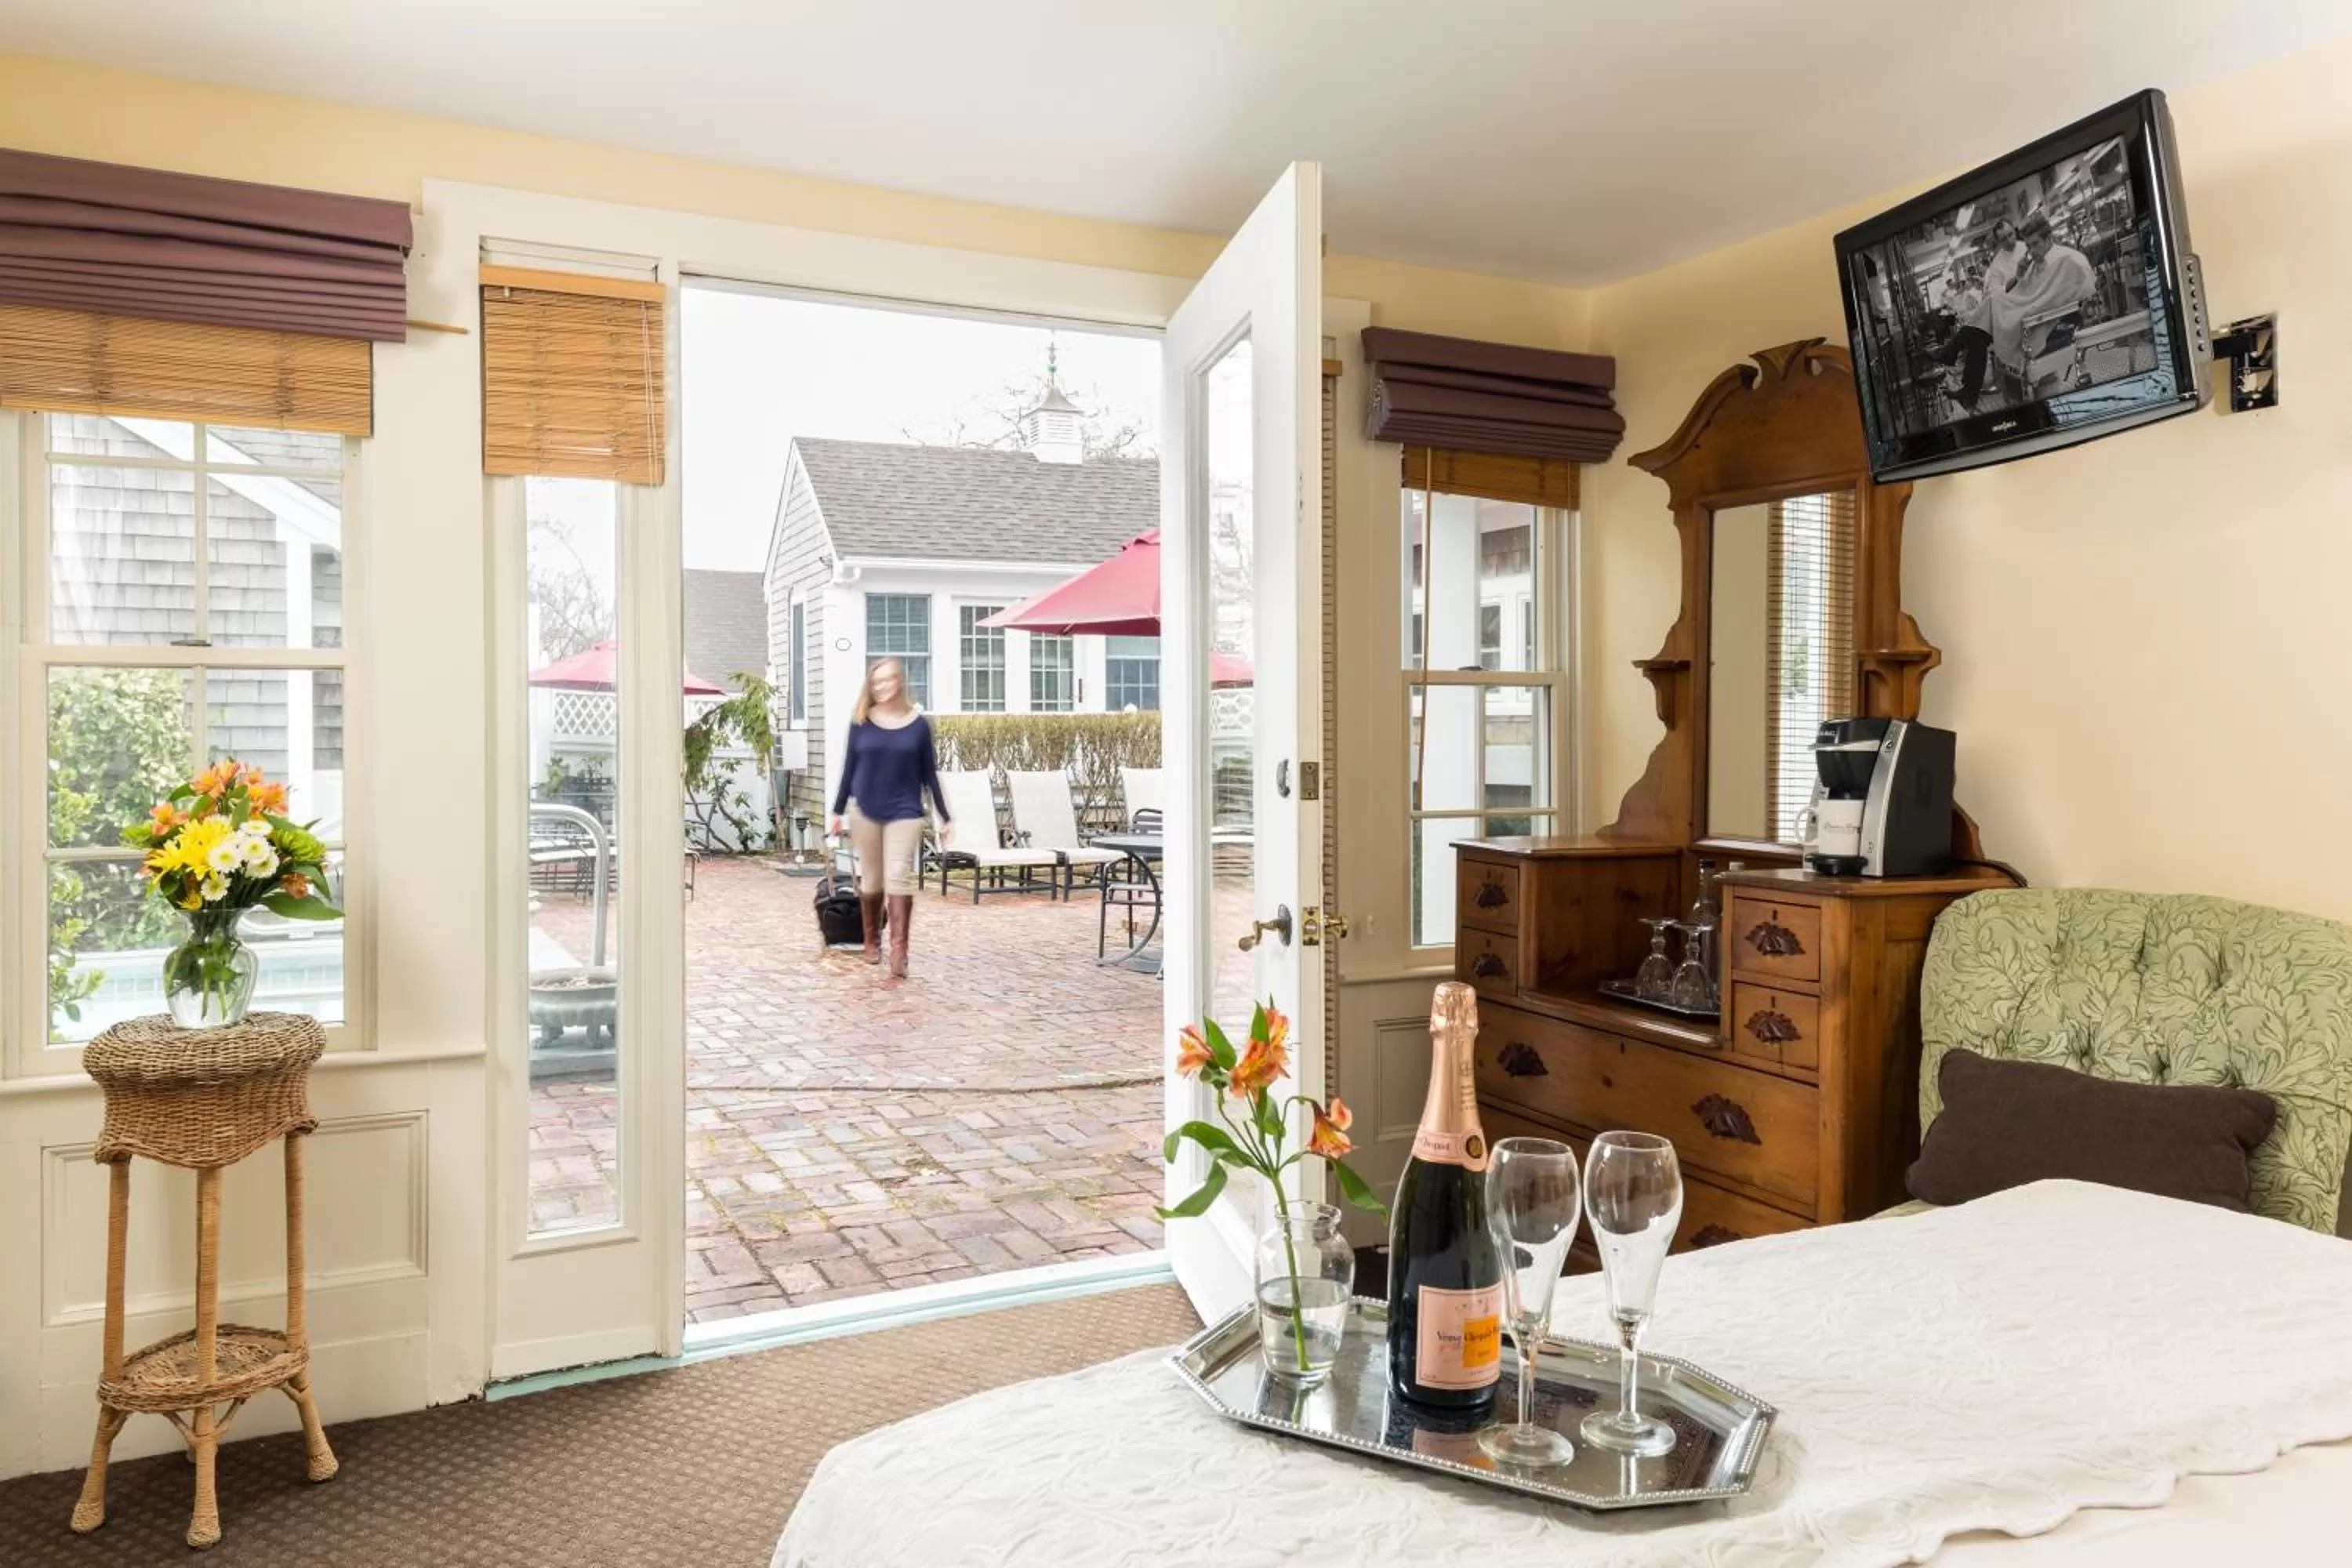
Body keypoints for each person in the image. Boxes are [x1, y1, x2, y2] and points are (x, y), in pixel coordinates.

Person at [829, 658, 951, 978]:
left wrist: (944, 815)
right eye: (876, 682)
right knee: (871, 879)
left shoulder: (919, 725)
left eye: (887, 680)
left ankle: (900, 950)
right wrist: (837, 811)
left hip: (905, 810)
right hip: (864, 809)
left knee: (898, 874)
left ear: (899, 681)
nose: (882, 687)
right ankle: (872, 941)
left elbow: (930, 774)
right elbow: (848, 770)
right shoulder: (860, 722)